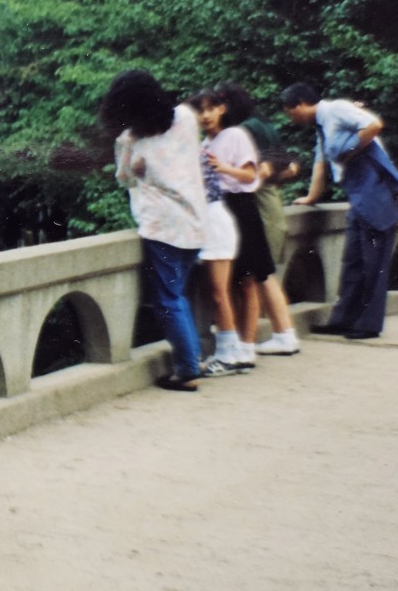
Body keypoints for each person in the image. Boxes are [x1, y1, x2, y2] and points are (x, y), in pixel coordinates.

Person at [281, 83, 398, 339]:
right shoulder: (321, 128)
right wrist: (311, 198)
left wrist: (348, 152)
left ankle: (368, 325)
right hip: (357, 194)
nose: (289, 117)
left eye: (289, 111)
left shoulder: (336, 110)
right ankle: (343, 319)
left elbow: (373, 125)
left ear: (300, 104)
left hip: (375, 191)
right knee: (353, 260)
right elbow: (321, 165)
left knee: (374, 261)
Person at [107, 70, 207, 392]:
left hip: (161, 225)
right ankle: (193, 359)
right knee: (180, 294)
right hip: (194, 222)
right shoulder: (187, 118)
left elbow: (123, 178)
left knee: (169, 298)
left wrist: (134, 167)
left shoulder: (130, 140)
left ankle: (188, 369)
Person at [194, 88, 298, 368]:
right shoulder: (206, 142)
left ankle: (247, 346)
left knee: (248, 280)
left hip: (242, 207)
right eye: (200, 110)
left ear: (222, 109)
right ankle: (238, 344)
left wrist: (223, 168)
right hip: (219, 209)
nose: (205, 116)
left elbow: (250, 174)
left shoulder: (237, 135)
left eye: (210, 109)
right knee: (232, 281)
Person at [186, 90, 243, 376]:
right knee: (216, 293)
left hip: (215, 224)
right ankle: (230, 352)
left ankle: (228, 356)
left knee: (219, 294)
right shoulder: (199, 147)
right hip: (209, 222)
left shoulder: (196, 152)